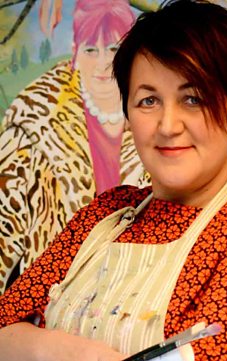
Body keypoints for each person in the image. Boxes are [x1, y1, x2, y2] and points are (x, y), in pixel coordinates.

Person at [0, 1, 227, 361]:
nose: (168, 125)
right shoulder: (105, 215)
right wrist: (52, 352)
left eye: (193, 98)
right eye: (148, 101)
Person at [0, 0, 148, 293]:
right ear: (75, 52)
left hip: (134, 295)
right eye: (91, 50)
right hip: (53, 298)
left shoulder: (155, 124)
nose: (103, 62)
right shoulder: (34, 127)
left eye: (114, 49)